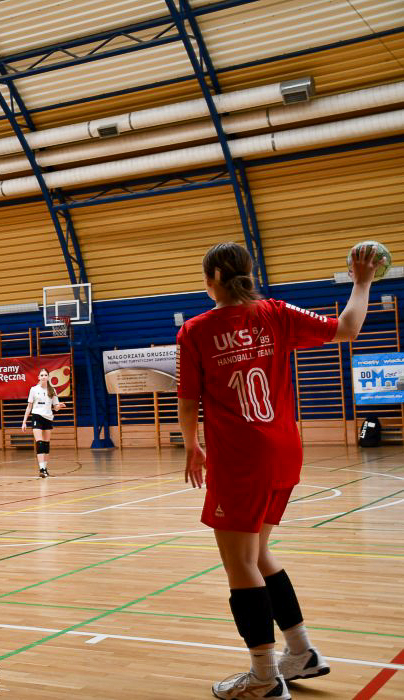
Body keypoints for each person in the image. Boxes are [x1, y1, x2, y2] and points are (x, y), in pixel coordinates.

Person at [178, 242, 376, 699]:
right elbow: (348, 328)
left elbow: (188, 401)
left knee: (240, 564)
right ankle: (301, 652)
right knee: (260, 554)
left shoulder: (196, 330)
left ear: (211, 280)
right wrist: (362, 282)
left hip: (241, 458)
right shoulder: (277, 313)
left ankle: (264, 678)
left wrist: (192, 445)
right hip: (285, 451)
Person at [21, 368, 66, 478]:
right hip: (37, 416)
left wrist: (59, 406)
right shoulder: (33, 389)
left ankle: (45, 469)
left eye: (45, 375)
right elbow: (29, 407)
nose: (43, 377)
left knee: (46, 444)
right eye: (41, 375)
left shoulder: (52, 390)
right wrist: (24, 422)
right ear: (38, 377)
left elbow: (55, 408)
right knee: (40, 442)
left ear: (48, 377)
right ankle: (41, 469)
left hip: (48, 418)